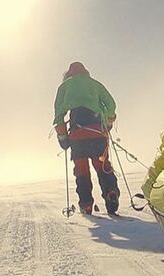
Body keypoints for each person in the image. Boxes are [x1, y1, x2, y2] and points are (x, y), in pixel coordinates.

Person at [53, 62, 120, 215]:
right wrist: (108, 123)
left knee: (81, 169)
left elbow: (58, 115)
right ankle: (111, 192)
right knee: (103, 165)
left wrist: (63, 137)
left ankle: (86, 205)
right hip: (97, 132)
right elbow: (111, 105)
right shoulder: (95, 85)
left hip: (77, 134)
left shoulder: (64, 87)